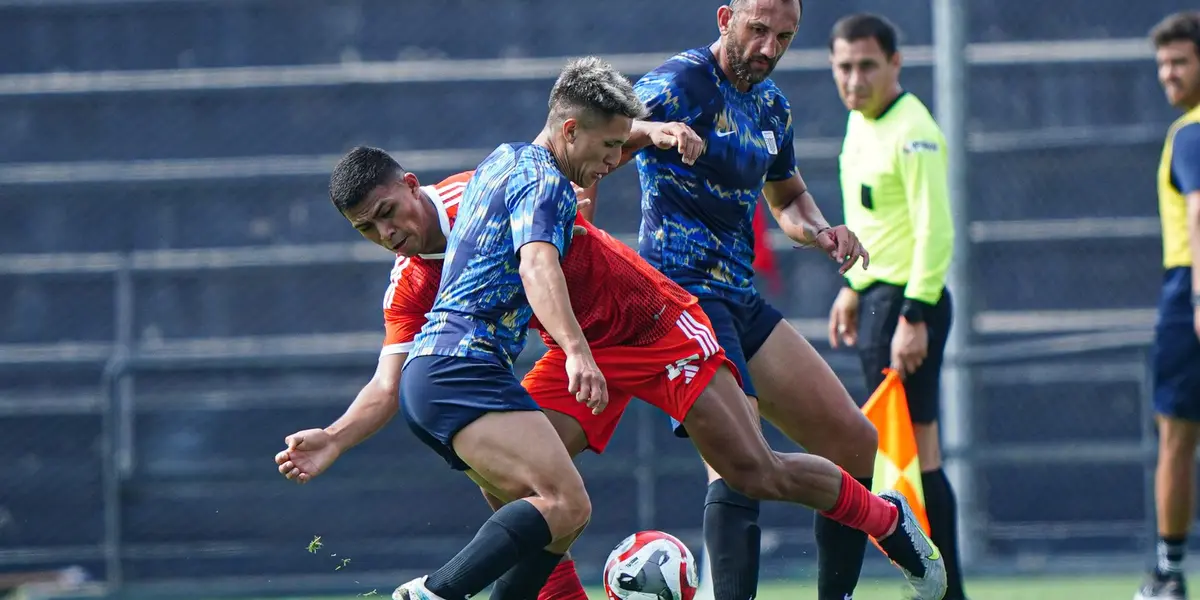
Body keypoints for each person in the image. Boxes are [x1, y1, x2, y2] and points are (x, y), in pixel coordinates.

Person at [278, 58, 944, 600]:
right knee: (512, 482)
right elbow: (390, 381)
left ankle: (887, 519)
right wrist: (335, 437)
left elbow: (559, 213)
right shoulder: (441, 249)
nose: (387, 233)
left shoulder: (487, 183)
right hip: (581, 348)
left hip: (656, 326)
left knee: (753, 470)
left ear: (413, 187)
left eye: (388, 213)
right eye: (369, 229)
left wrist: (650, 136)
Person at [630, 2, 912, 599]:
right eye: (758, 30)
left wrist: (821, 230)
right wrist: (651, 130)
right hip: (682, 298)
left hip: (737, 295)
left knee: (854, 440)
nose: (768, 47)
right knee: (743, 462)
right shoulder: (678, 82)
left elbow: (786, 200)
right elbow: (593, 129)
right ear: (725, 17)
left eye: (783, 36)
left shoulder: (772, 105)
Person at [822, 13, 966, 600]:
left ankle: (942, 587)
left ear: (895, 65)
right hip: (882, 300)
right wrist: (854, 287)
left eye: (867, 66)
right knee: (892, 453)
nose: (854, 80)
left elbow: (935, 232)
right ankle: (941, 587)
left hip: (910, 307)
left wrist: (913, 316)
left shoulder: (914, 129)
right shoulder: (862, 124)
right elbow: (878, 222)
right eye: (844, 67)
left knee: (890, 454)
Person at [1136, 11, 1200, 600]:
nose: (1168, 73)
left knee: (1177, 434)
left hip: (1189, 290)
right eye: (1163, 63)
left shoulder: (1191, 132)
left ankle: (1167, 573)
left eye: (1180, 61)